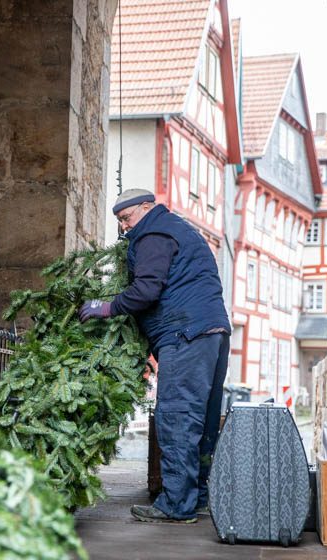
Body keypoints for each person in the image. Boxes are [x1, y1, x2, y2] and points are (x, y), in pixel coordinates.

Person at [79, 188, 231, 523]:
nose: (123, 228)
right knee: (202, 422)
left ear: (146, 208)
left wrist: (105, 307)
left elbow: (147, 289)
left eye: (126, 218)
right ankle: (198, 498)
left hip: (185, 333)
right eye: (119, 221)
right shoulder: (178, 230)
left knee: (176, 418)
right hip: (211, 332)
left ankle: (176, 505)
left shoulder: (154, 233)